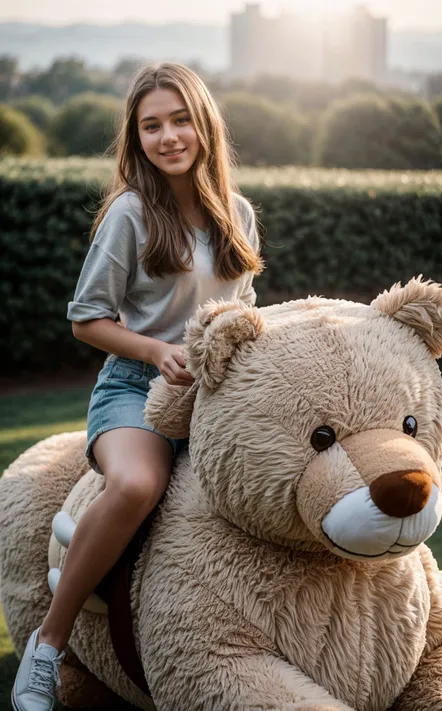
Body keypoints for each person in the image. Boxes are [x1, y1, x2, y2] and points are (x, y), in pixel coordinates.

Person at [12, 62, 263, 711]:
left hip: (212, 392)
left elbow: (245, 307)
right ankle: (48, 644)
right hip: (134, 386)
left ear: (204, 124)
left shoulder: (237, 214)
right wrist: (156, 349)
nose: (168, 136)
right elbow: (85, 319)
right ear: (137, 138)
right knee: (136, 485)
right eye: (152, 125)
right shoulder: (128, 213)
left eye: (180, 120)